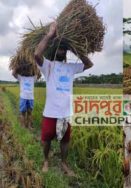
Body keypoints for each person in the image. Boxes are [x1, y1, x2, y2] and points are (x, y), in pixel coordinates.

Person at [34, 21, 93, 175]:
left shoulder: (71, 68)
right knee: (46, 139)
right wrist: (50, 34)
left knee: (65, 140)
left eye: (64, 49)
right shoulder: (48, 66)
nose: (61, 50)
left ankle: (64, 163)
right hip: (51, 112)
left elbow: (89, 64)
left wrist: (76, 47)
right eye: (59, 47)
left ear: (66, 52)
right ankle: (46, 160)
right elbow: (37, 55)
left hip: (66, 113)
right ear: (54, 49)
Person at [12, 63, 37, 129]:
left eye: (29, 69)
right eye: (26, 69)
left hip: (31, 98)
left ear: (31, 70)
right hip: (23, 97)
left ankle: (29, 126)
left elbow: (38, 74)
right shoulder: (21, 78)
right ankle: (23, 126)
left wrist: (34, 66)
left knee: (29, 112)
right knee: (23, 112)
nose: (27, 71)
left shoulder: (33, 78)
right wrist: (18, 66)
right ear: (23, 70)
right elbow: (13, 73)